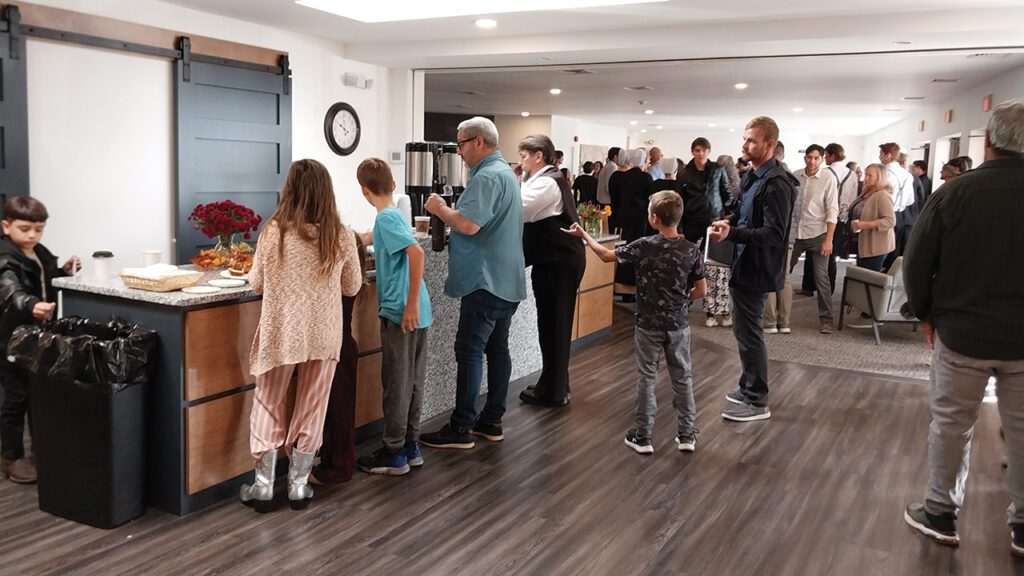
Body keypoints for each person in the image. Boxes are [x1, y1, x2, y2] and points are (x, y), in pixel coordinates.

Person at [902, 100, 1024, 556]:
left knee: (952, 426)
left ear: (989, 141)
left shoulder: (953, 193)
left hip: (961, 334)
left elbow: (916, 264)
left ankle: (940, 513)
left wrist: (926, 314)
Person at [240, 159, 363, 512]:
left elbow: (257, 282)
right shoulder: (339, 234)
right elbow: (352, 284)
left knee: (268, 401)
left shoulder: (273, 231)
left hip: (281, 332)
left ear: (289, 189)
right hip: (324, 333)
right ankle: (297, 485)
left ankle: (263, 486)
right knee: (312, 405)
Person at [564, 191, 707, 454]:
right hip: (678, 326)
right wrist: (682, 303)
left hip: (647, 325)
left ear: (654, 219)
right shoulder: (692, 250)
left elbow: (606, 256)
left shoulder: (644, 245)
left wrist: (584, 235)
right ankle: (686, 435)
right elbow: (701, 290)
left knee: (647, 378)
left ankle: (643, 437)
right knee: (682, 378)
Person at [420, 116, 526, 449]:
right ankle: (491, 421)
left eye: (461, 144)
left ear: (479, 141)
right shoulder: (506, 174)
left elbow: (468, 225)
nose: (459, 152)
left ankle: (461, 427)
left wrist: (440, 209)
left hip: (485, 280)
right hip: (506, 278)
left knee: (468, 351)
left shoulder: (487, 177)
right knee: (497, 350)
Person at [709, 116, 797, 422]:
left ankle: (757, 400)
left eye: (751, 140)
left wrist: (732, 234)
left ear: (769, 144)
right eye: (744, 139)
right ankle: (747, 388)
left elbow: (774, 234)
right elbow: (746, 217)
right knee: (742, 329)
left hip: (758, 266)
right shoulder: (753, 176)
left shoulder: (777, 184)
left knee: (750, 333)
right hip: (744, 261)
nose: (744, 145)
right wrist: (729, 223)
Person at [355, 158, 432, 475]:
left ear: (363, 191)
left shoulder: (387, 218)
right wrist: (358, 239)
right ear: (394, 186)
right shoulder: (392, 216)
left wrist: (410, 303)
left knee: (396, 383)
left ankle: (393, 452)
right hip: (417, 311)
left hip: (403, 311)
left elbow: (416, 253)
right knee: (412, 380)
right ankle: (411, 446)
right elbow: (379, 237)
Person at [0, 196, 79, 484]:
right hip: (10, 339)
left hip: (35, 337)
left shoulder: (37, 251)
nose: (32, 235)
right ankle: (11, 457)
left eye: (38, 229)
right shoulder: (5, 256)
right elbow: (10, 289)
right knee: (15, 398)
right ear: (6, 226)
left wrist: (64, 271)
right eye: (24, 229)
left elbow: (44, 279)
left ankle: (39, 449)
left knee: (37, 393)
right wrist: (30, 304)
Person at [516, 135, 586, 408]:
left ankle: (554, 391)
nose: (520, 161)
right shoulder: (546, 179)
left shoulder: (546, 183)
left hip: (559, 262)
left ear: (539, 156)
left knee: (554, 326)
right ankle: (554, 383)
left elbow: (518, 210)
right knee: (551, 325)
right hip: (556, 261)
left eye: (523, 156)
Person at [310, 232, 368, 486]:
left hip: (338, 349)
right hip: (342, 347)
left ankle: (338, 467)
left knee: (338, 411)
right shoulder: (351, 279)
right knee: (336, 410)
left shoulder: (340, 282)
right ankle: (331, 458)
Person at [790, 144, 839, 334]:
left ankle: (826, 319)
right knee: (783, 272)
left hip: (818, 234)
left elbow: (832, 210)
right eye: (809, 157)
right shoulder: (796, 176)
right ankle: (776, 314)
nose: (812, 161)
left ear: (823, 159)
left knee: (821, 277)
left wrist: (829, 239)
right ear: (805, 158)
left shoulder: (828, 178)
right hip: (796, 233)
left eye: (816, 158)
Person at [609, 148, 654, 302]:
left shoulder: (621, 177)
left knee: (625, 251)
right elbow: (651, 201)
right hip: (640, 220)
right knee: (639, 253)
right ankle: (636, 288)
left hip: (623, 218)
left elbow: (616, 199)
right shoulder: (646, 178)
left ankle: (622, 288)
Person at [677, 137, 726, 250]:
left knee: (712, 253)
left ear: (709, 151)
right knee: (689, 252)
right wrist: (679, 229)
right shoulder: (684, 174)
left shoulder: (717, 169)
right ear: (692, 152)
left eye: (704, 150)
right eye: (698, 150)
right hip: (691, 219)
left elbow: (725, 192)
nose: (701, 154)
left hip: (714, 217)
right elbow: (679, 200)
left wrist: (728, 216)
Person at [847, 163, 895, 272]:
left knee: (867, 278)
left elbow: (890, 221)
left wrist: (864, 225)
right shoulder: (867, 192)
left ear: (880, 178)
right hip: (862, 242)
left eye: (870, 176)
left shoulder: (882, 195)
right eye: (866, 175)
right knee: (861, 275)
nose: (866, 178)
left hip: (875, 246)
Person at [879, 142, 915, 269]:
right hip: (900, 216)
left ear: (888, 155)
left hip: (884, 215)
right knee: (894, 250)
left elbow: (880, 198)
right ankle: (890, 279)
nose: (879, 156)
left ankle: (877, 280)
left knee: (881, 250)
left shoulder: (884, 173)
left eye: (881, 153)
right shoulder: (907, 174)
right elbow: (910, 200)